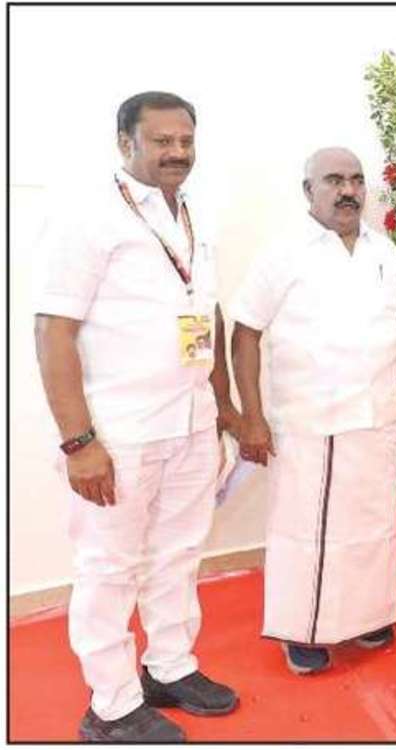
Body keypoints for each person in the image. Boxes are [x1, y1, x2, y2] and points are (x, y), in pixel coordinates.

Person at [33, 91, 240, 742]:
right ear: (125, 143)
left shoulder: (192, 212)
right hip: (120, 432)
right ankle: (112, 704)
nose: (178, 152)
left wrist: (221, 410)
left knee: (178, 553)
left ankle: (169, 667)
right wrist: (79, 442)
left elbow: (205, 313)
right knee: (109, 567)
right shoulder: (89, 215)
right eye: (161, 141)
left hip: (190, 420)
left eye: (186, 140)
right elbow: (53, 330)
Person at [229, 147, 396, 675]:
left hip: (376, 418)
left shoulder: (384, 251)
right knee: (306, 533)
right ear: (308, 190)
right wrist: (252, 416)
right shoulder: (283, 253)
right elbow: (245, 333)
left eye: (356, 180)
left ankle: (367, 617)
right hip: (311, 422)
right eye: (334, 180)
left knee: (373, 525)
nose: (348, 190)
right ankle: (302, 630)